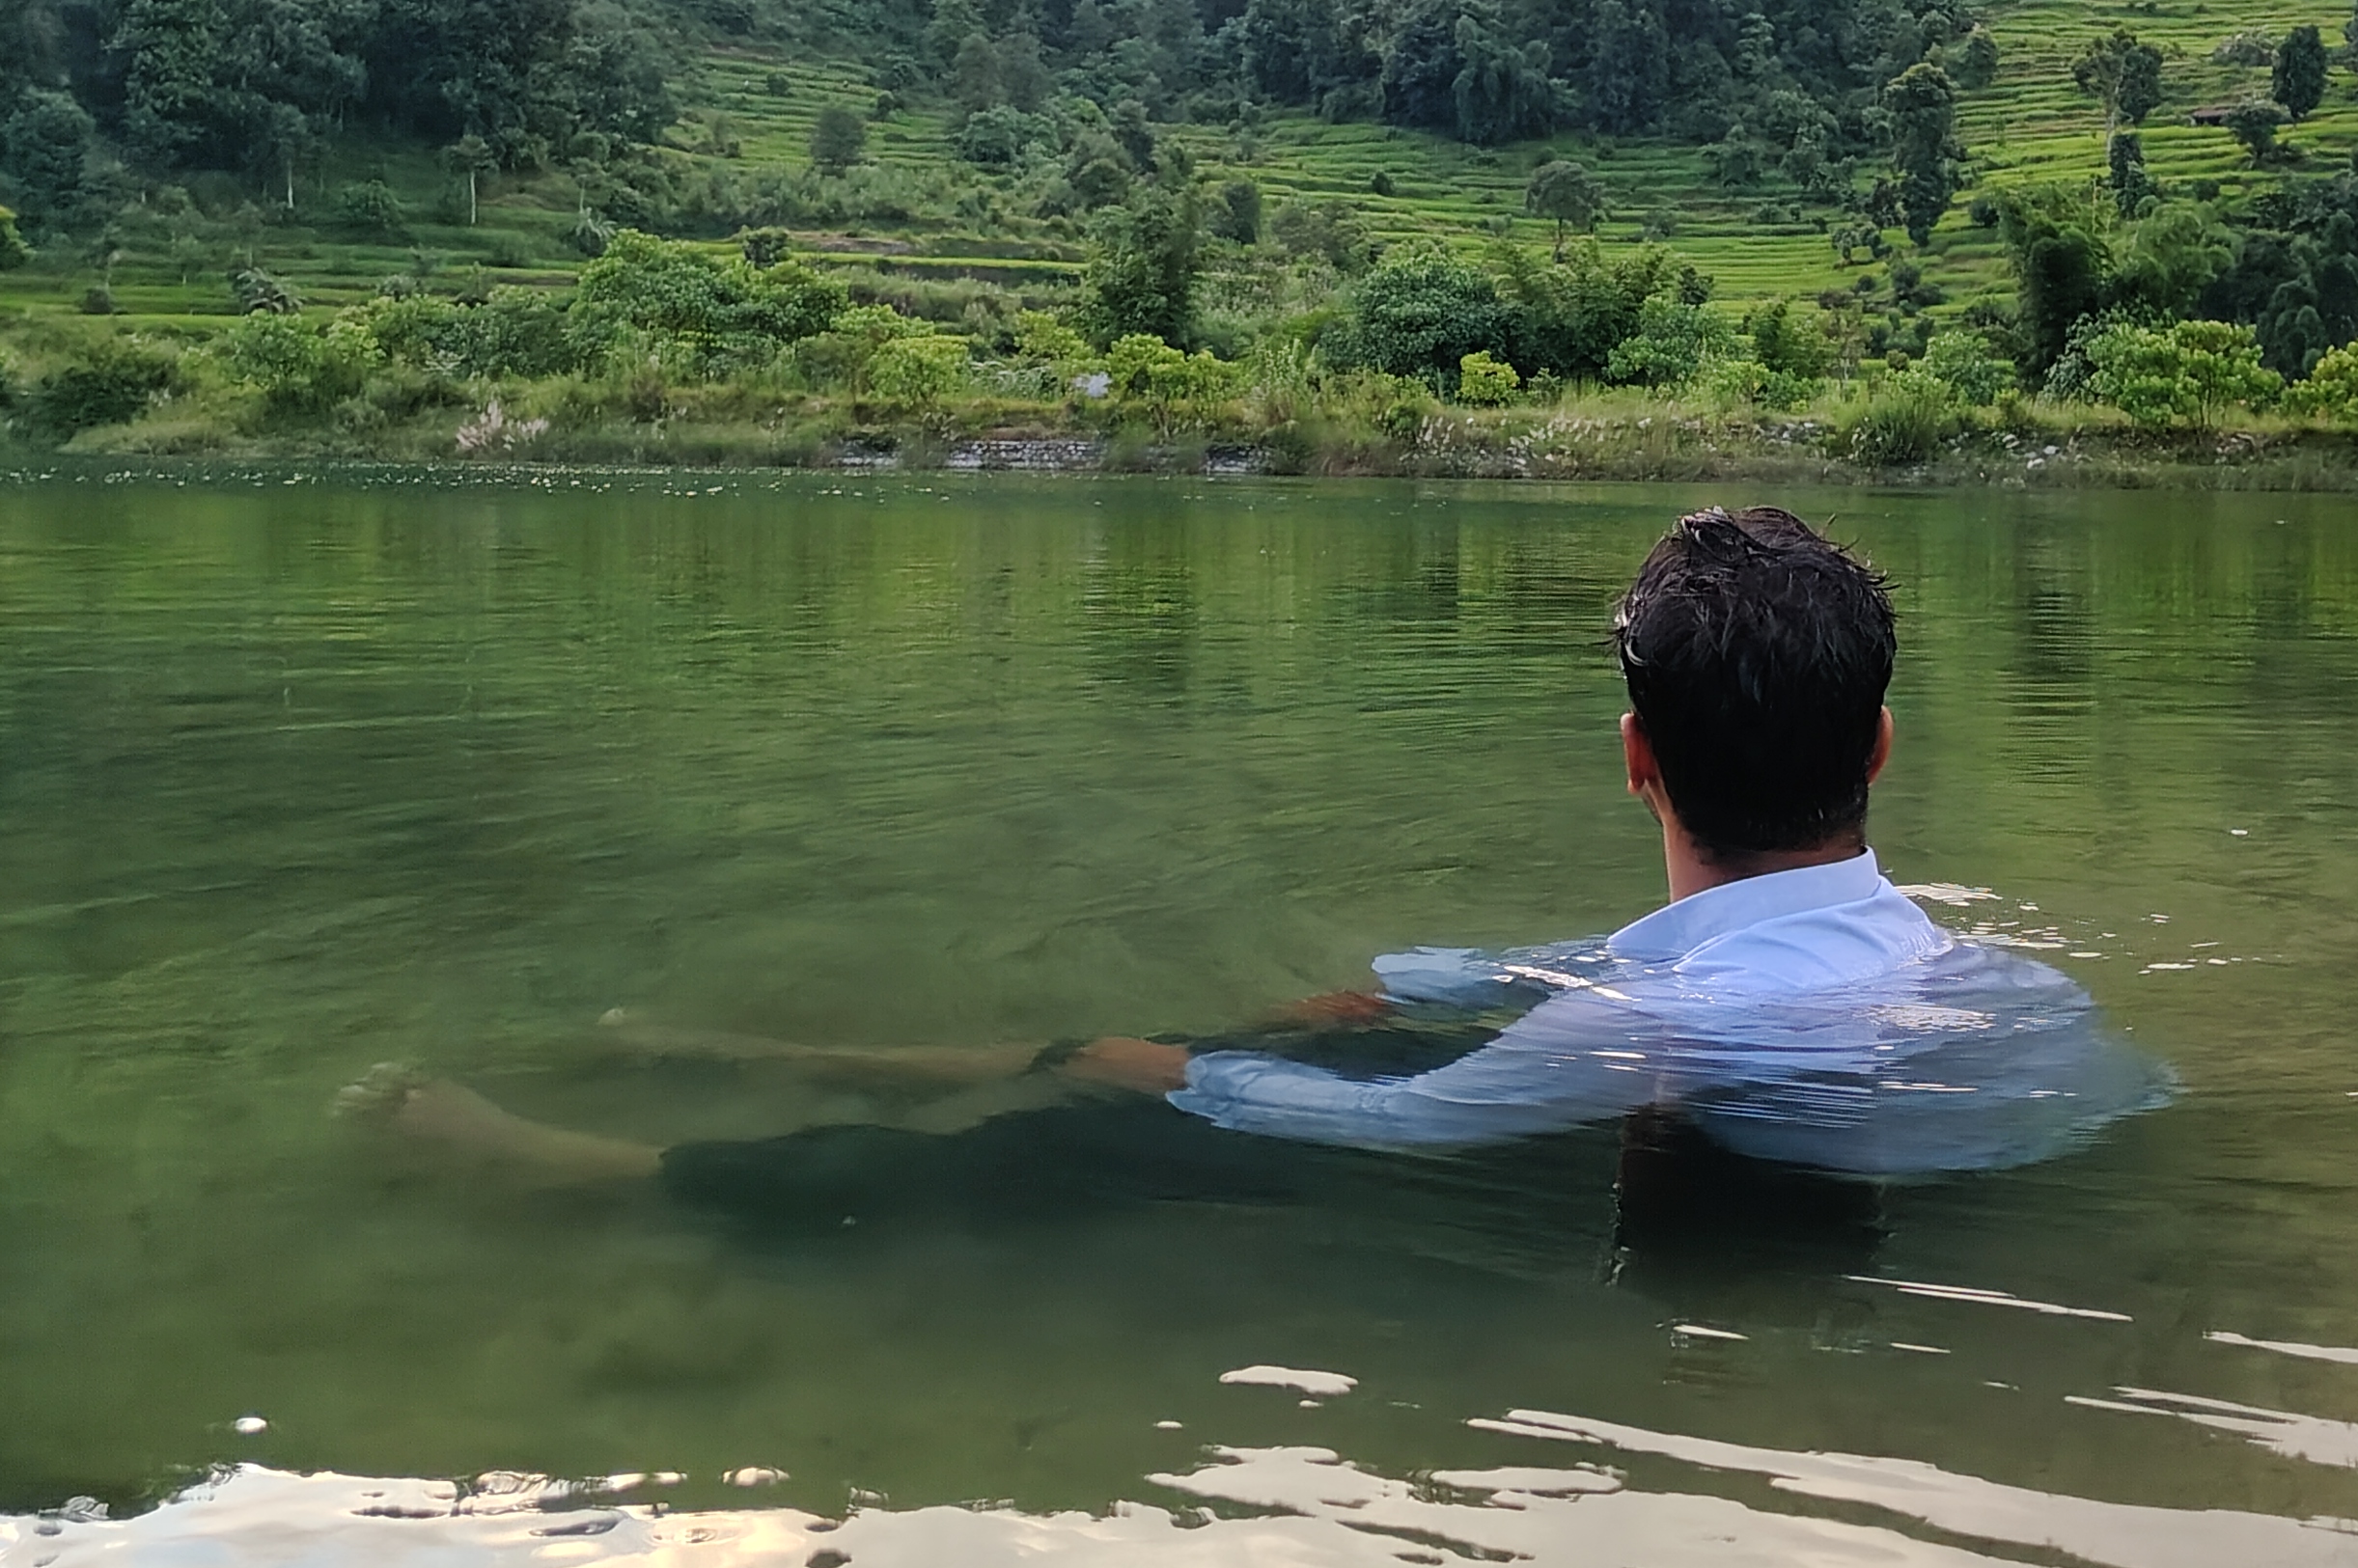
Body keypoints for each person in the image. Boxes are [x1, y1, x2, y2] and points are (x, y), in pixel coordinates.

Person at [344, 507, 2162, 1198]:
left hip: (1696, 1123)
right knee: (1325, 1021)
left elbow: (1394, 1129)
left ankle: (589, 1163)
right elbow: (1656, 970)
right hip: (1827, 1143)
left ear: (1630, 760)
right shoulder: (2006, 982)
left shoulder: (1648, 1030)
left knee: (1088, 1125)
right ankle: (753, 1058)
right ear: (1883, 749)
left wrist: (1171, 1069)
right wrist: (1427, 986)